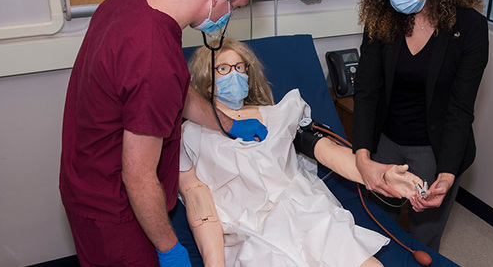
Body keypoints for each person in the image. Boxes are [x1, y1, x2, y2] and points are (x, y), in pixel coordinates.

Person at [59, 0, 268, 266]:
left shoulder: (128, 1)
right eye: (237, 7)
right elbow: (139, 177)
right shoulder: (155, 59)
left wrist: (227, 123)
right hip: (116, 212)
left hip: (83, 180)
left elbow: (174, 88)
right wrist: (169, 248)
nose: (230, 17)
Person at [178, 39, 424, 267]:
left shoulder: (280, 114)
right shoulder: (190, 134)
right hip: (250, 235)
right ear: (205, 80)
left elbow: (326, 151)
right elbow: (199, 205)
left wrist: (379, 174)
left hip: (306, 214)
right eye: (223, 69)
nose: (235, 74)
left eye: (240, 67)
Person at [352, 0, 489, 251]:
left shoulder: (469, 28)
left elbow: (460, 108)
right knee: (373, 225)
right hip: (385, 140)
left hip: (434, 147)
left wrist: (446, 174)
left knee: (423, 239)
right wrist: (362, 158)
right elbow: (367, 89)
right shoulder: (383, 18)